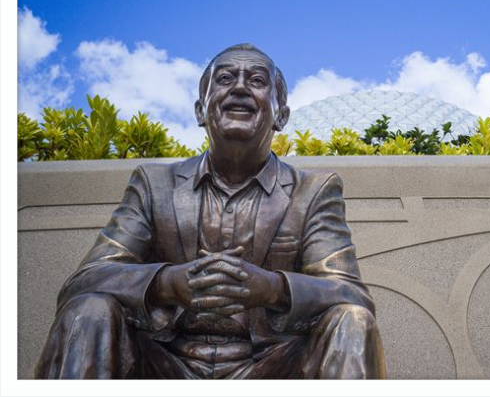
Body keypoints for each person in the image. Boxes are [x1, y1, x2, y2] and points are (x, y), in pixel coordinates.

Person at [35, 43, 386, 379]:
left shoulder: (313, 191)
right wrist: (167, 283)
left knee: (352, 320)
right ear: (200, 110)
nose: (240, 88)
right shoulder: (154, 183)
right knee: (88, 308)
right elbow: (86, 280)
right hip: (163, 365)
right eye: (225, 78)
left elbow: (350, 293)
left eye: (258, 81)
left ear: (281, 115)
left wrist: (272, 288)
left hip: (272, 367)